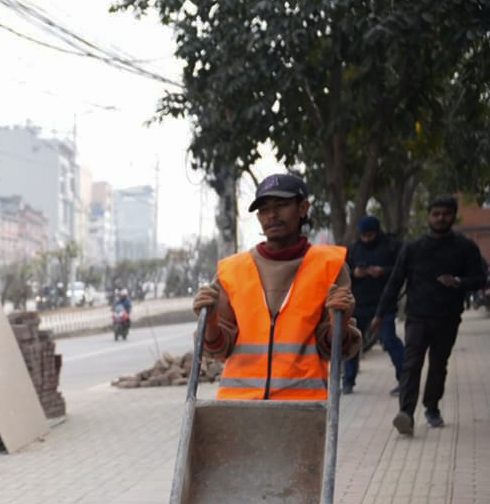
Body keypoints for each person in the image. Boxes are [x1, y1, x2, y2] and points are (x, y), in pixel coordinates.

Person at [192, 172, 360, 400]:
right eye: (263, 209)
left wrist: (338, 321)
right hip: (238, 410)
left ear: (303, 208)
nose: (271, 215)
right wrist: (210, 321)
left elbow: (334, 350)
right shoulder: (232, 271)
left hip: (302, 411)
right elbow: (218, 350)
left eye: (281, 205)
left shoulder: (329, 266)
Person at [376, 195, 489, 434]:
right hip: (417, 316)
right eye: (436, 214)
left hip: (448, 318)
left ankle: (432, 407)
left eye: (446, 214)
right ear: (429, 216)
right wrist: (380, 314)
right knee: (411, 364)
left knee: (438, 365)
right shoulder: (413, 248)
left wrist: (458, 281)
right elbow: (394, 282)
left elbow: (480, 279)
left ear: (453, 216)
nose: (440, 218)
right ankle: (405, 413)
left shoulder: (465, 247)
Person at [344, 215, 404, 396]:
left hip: (384, 304)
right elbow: (343, 273)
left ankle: (405, 379)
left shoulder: (391, 246)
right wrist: (355, 273)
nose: (367, 239)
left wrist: (383, 271)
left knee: (389, 340)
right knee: (351, 342)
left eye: (370, 235)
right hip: (359, 304)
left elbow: (403, 270)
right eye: (364, 235)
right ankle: (348, 380)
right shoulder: (353, 250)